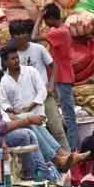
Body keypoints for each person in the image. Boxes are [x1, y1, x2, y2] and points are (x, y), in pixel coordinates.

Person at [0, 46, 83, 169]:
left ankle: (63, 155)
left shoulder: (30, 71)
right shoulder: (3, 80)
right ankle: (60, 156)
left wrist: (30, 106)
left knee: (57, 131)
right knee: (29, 121)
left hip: (36, 111)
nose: (16, 60)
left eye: (17, 57)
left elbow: (42, 91)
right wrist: (13, 110)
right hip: (18, 116)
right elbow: (3, 102)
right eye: (12, 59)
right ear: (5, 62)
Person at [10, 19, 68, 147]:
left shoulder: (39, 48)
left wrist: (51, 85)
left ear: (27, 34)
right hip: (25, 100)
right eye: (17, 34)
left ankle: (69, 159)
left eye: (23, 33)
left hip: (44, 96)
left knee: (57, 130)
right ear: (12, 36)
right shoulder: (11, 54)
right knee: (37, 133)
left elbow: (53, 66)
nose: (20, 37)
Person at [42, 4, 80, 149]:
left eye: (46, 19)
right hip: (62, 76)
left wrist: (39, 17)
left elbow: (33, 37)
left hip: (63, 77)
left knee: (68, 115)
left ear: (51, 18)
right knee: (66, 114)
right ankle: (72, 146)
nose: (45, 23)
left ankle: (73, 148)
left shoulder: (60, 32)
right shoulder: (62, 30)